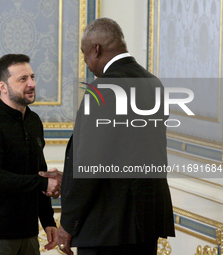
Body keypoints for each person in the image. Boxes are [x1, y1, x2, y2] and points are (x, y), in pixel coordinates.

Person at [40, 18, 175, 255]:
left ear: (96, 49)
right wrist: (69, 178)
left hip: (107, 228)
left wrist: (69, 223)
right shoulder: (154, 84)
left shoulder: (103, 90)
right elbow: (131, 150)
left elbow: (92, 163)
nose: (87, 64)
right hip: (146, 222)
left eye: (85, 55)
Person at [0, 54, 60, 255]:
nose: (32, 84)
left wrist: (48, 221)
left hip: (28, 234)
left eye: (32, 77)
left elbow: (40, 172)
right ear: (2, 86)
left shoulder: (34, 121)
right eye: (22, 79)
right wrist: (43, 183)